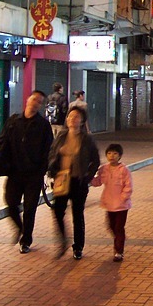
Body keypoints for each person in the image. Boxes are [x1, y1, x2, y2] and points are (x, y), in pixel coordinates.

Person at [0, 90, 54, 254]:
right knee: (11, 203)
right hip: (14, 172)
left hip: (34, 175)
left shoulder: (43, 125)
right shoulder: (13, 121)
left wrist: (45, 169)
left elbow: (49, 150)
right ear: (28, 99)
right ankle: (20, 228)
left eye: (39, 102)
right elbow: (3, 142)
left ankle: (26, 240)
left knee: (30, 208)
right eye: (34, 99)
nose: (35, 103)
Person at [48, 106, 101, 260]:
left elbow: (95, 160)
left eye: (76, 117)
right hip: (61, 181)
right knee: (58, 211)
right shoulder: (61, 136)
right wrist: (52, 168)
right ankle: (63, 240)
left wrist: (88, 176)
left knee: (77, 214)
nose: (72, 119)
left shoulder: (87, 139)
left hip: (78, 181)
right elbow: (52, 153)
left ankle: (78, 247)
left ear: (82, 121)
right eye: (70, 116)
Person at [90, 143, 133, 262]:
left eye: (115, 153)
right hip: (109, 204)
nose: (111, 156)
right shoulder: (104, 169)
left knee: (119, 227)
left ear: (120, 156)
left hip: (122, 205)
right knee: (111, 226)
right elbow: (98, 182)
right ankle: (120, 238)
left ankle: (119, 251)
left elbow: (128, 186)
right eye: (109, 153)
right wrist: (89, 178)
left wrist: (123, 198)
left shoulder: (124, 170)